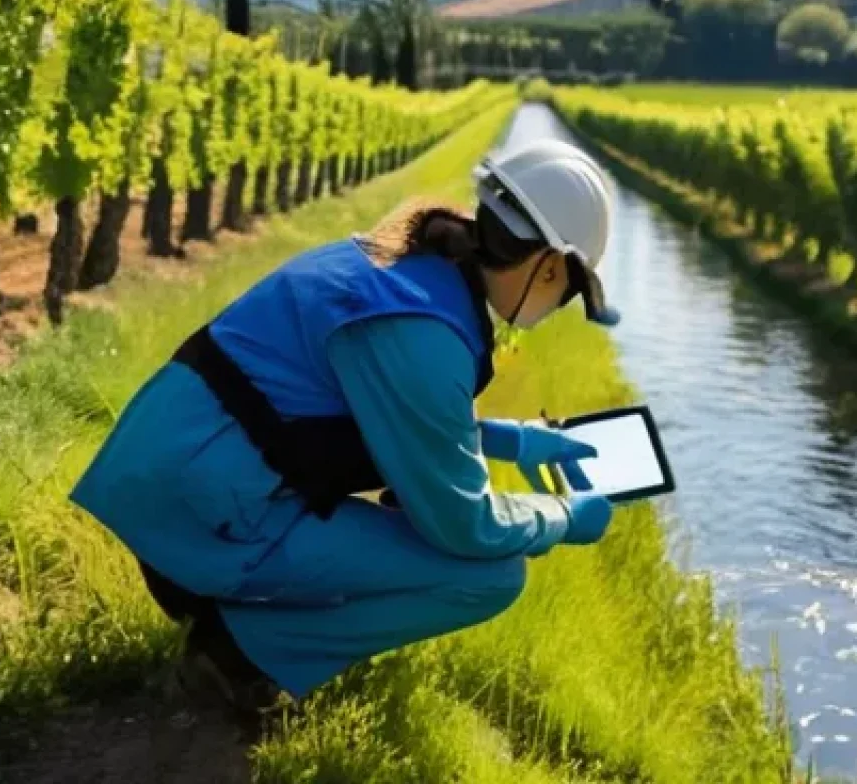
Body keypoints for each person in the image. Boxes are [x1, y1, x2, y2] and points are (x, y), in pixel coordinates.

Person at [70, 138, 621, 714]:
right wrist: (562, 517)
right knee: (491, 576)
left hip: (178, 488)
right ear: (550, 266)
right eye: (570, 291)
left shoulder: (402, 268)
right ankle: (231, 656)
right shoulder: (421, 332)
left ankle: (242, 628)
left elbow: (385, 416)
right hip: (202, 524)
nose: (561, 303)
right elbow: (465, 525)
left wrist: (513, 439)